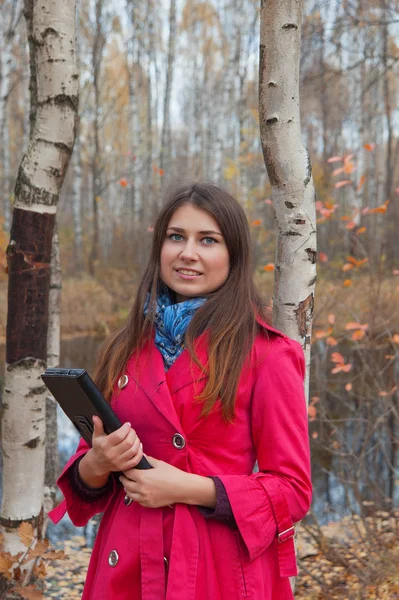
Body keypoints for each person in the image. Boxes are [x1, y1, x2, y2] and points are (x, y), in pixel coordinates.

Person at [49, 182, 312, 600]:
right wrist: (98, 462)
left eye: (208, 240)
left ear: (233, 256)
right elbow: (88, 470)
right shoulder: (126, 345)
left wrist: (186, 488)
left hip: (214, 570)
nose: (188, 253)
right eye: (176, 237)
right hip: (126, 565)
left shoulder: (267, 353)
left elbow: (293, 490)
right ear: (160, 248)